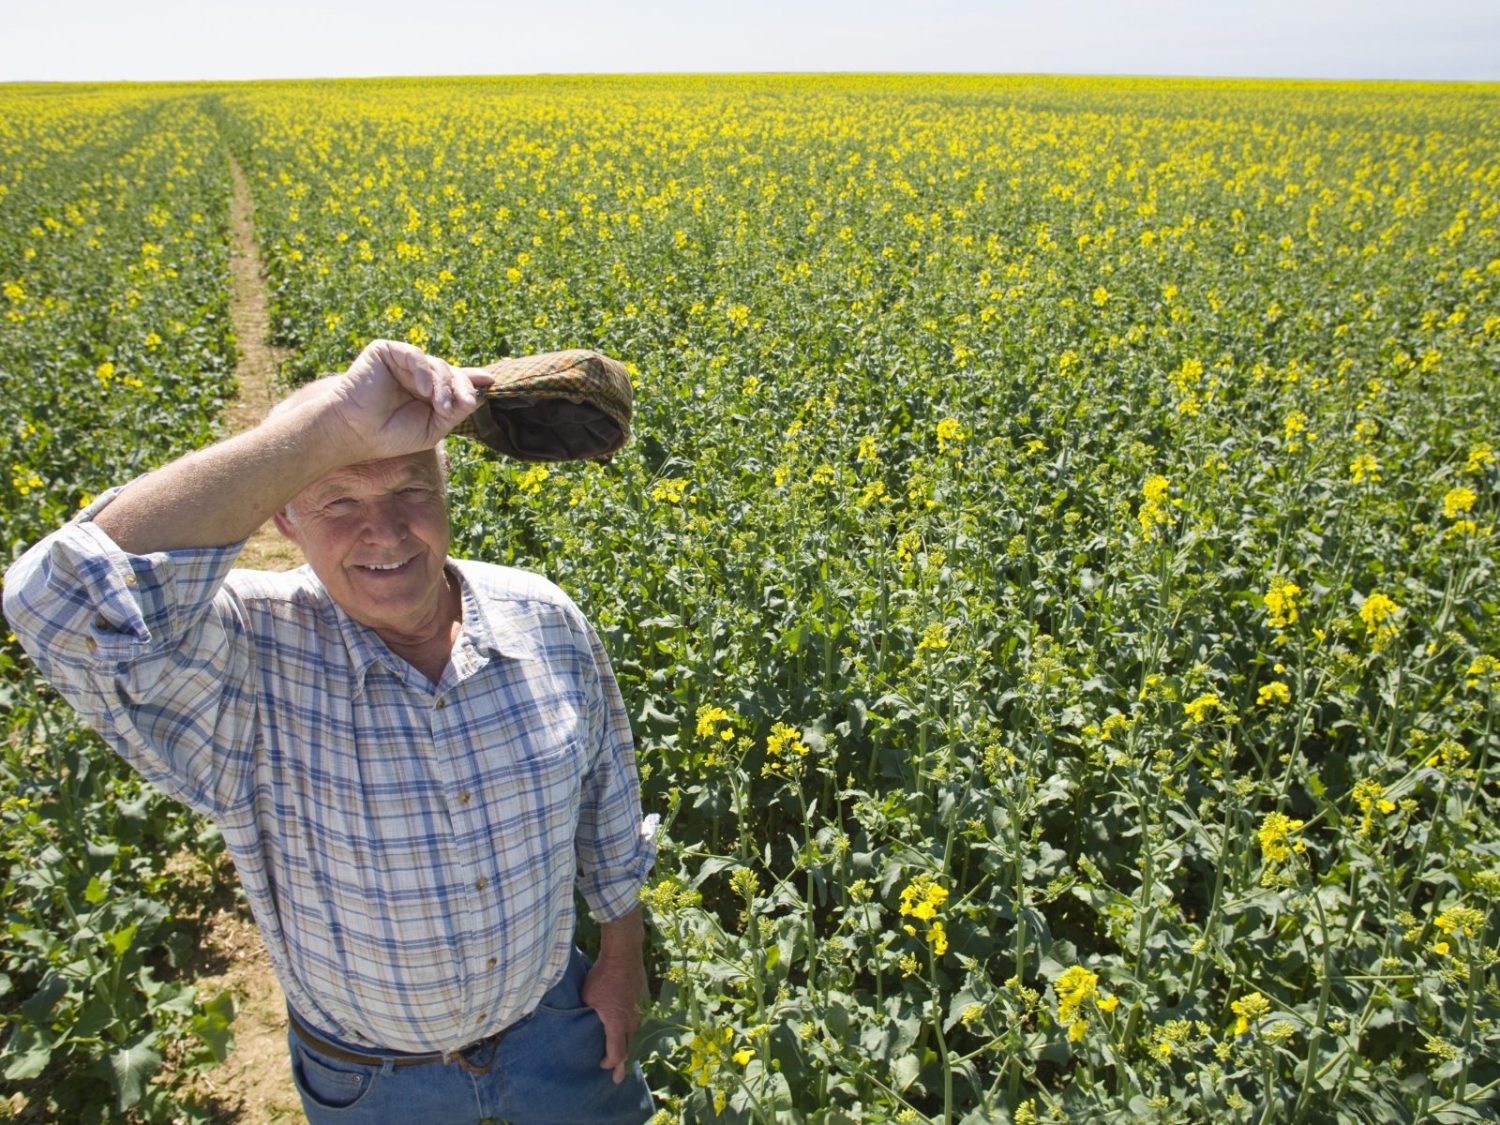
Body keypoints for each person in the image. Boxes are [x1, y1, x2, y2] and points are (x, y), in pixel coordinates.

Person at [2, 340, 658, 1124]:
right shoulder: (247, 651)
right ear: (282, 515)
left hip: (557, 1039)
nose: (383, 533)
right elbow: (58, 601)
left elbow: (608, 798)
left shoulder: (542, 616)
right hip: (379, 1085)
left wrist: (621, 957)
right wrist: (326, 428)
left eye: (411, 489)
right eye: (337, 501)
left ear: (448, 489)